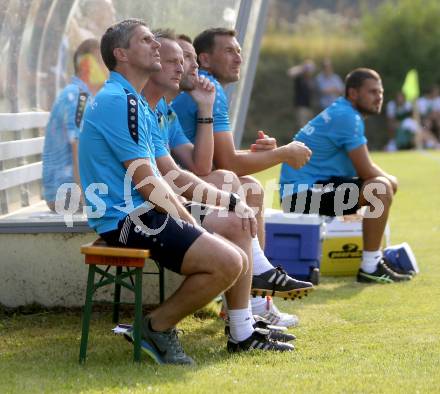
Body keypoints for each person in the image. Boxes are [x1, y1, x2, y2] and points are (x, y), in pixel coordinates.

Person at [79, 19, 293, 365]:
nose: (157, 47)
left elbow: (174, 174)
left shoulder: (134, 101)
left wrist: (230, 201)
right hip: (127, 219)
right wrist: (193, 225)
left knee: (237, 223)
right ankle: (154, 326)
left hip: (143, 211)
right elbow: (149, 183)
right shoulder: (122, 101)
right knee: (229, 262)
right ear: (121, 54)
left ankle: (242, 331)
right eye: (146, 41)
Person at [142, 30, 297, 342]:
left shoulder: (166, 110)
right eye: (178, 59)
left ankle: (249, 308)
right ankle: (252, 295)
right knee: (235, 187)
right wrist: (283, 154)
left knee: (248, 189)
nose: (188, 67)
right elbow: (216, 166)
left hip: (175, 197)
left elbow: (200, 166)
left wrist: (206, 109)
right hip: (153, 208)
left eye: (185, 59)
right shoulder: (141, 106)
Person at [172, 29, 314, 326]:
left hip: (188, 183)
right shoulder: (208, 87)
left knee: (251, 188)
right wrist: (283, 154)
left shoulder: (206, 91)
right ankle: (255, 284)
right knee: (232, 181)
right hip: (173, 192)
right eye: (229, 51)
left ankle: (253, 299)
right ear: (206, 59)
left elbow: (214, 157)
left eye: (239, 50)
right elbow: (226, 163)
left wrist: (257, 153)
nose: (238, 57)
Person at [279, 68, 414, 284]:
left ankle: (372, 258)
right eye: (372, 92)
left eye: (380, 92)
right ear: (353, 93)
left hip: (309, 189)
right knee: (379, 189)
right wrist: (392, 181)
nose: (378, 96)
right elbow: (366, 171)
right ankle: (371, 266)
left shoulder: (344, 113)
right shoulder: (347, 117)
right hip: (301, 196)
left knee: (379, 186)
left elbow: (363, 169)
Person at [42, 38, 107, 212]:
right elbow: (78, 147)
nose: (108, 67)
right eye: (102, 61)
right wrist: (86, 199)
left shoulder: (83, 96)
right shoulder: (78, 97)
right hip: (66, 195)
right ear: (87, 65)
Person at [287, 59, 316, 129]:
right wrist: (302, 67)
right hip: (301, 106)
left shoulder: (310, 80)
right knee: (302, 128)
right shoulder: (299, 77)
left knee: (309, 129)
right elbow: (290, 73)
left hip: (309, 107)